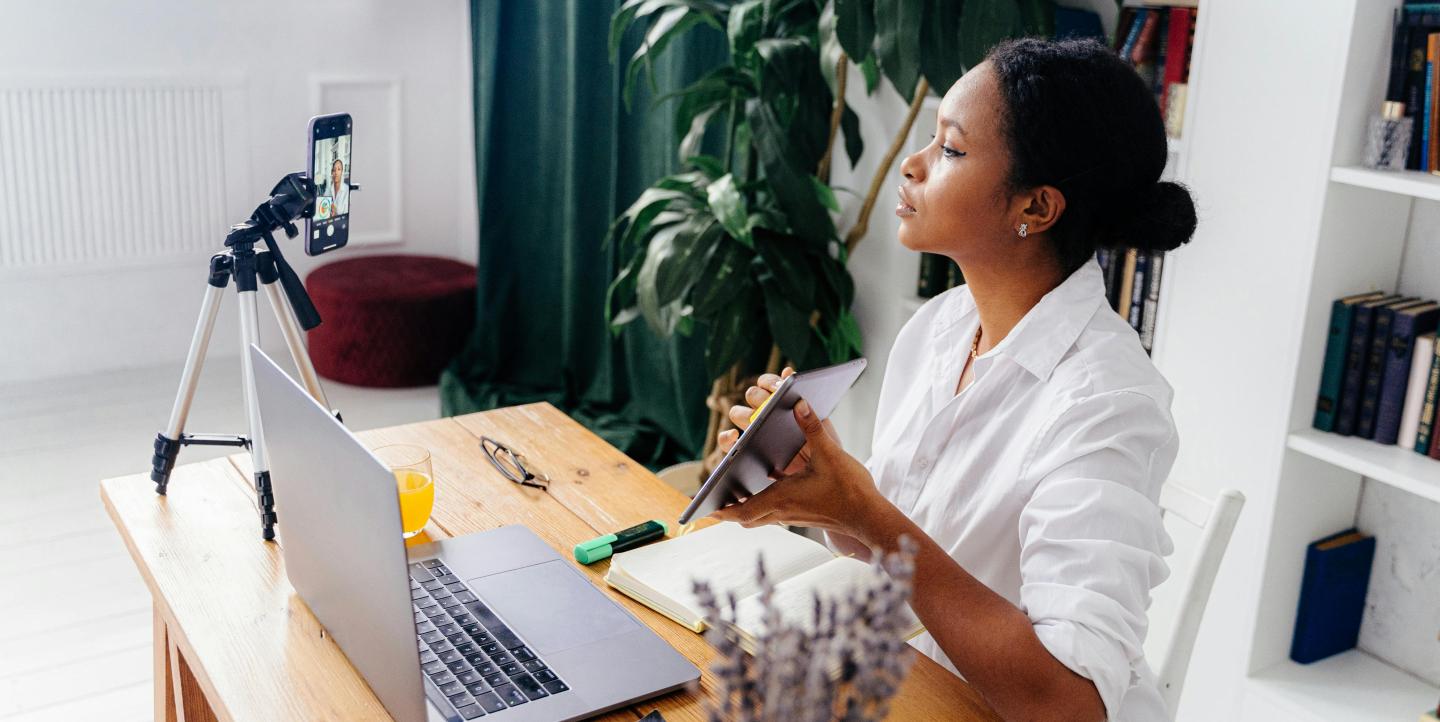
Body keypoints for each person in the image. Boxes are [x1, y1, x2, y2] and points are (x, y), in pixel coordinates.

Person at [709, 37, 1196, 722]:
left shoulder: (1108, 403)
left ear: (1035, 209)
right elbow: (902, 547)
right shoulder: (941, 326)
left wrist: (863, 510)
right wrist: (821, 493)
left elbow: (1069, 705)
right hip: (910, 686)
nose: (911, 165)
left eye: (951, 150)